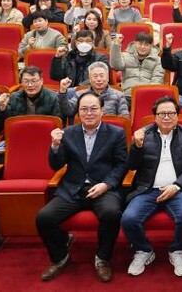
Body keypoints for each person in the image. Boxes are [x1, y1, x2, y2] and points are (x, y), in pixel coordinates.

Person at [36, 92, 127, 282]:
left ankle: (102, 258)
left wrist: (106, 184)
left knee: (111, 213)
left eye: (93, 108)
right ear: (78, 112)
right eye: (84, 109)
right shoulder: (68, 133)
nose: (89, 113)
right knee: (44, 217)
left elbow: (121, 165)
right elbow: (56, 165)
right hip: (73, 188)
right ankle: (61, 258)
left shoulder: (116, 133)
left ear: (102, 110)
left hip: (103, 188)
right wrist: (55, 146)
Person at [122, 96, 182, 277]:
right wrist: (137, 146)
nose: (166, 117)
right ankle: (144, 250)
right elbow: (131, 166)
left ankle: (177, 250)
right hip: (147, 190)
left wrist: (177, 186)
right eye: (162, 113)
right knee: (129, 219)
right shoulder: (144, 134)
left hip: (178, 190)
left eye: (171, 113)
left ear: (177, 115)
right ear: (155, 116)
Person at [109, 32, 165, 106]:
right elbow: (115, 66)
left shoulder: (158, 60)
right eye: (140, 44)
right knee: (114, 104)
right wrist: (116, 45)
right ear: (135, 43)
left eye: (146, 45)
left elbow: (157, 79)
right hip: (128, 95)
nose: (143, 47)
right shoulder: (125, 56)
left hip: (147, 96)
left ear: (151, 46)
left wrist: (147, 94)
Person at [57, 61, 128, 118]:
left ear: (108, 78)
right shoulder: (80, 94)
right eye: (95, 76)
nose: (99, 79)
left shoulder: (119, 95)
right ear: (90, 80)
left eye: (102, 76)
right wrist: (63, 91)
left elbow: (124, 119)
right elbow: (68, 111)